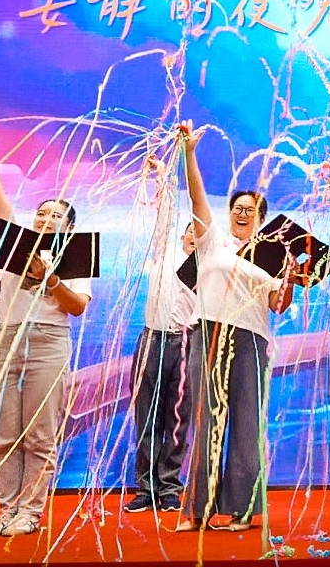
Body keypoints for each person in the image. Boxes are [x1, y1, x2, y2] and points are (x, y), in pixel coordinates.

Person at [0, 117, 93, 538]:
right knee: (4, 432)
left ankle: (30, 511)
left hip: (48, 340)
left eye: (55, 215)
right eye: (41, 213)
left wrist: (51, 280)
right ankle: (6, 509)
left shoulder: (76, 256)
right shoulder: (11, 242)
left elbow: (77, 308)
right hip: (5, 336)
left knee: (39, 432)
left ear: (68, 226)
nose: (45, 218)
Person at [176, 123, 294, 533]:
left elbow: (278, 305)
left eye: (251, 210)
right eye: (238, 208)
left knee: (246, 423)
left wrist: (290, 277)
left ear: (262, 218)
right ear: (229, 214)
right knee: (206, 421)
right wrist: (189, 153)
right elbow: (196, 196)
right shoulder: (213, 242)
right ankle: (198, 510)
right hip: (208, 334)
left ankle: (243, 511)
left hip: (251, 339)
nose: (243, 214)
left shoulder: (271, 256)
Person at [123, 158, 197, 515]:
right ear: (183, 235)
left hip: (186, 344)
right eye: (191, 231)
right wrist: (164, 179)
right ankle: (145, 487)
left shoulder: (210, 269)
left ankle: (170, 487)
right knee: (146, 417)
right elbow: (165, 215)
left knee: (177, 420)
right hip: (151, 340)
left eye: (201, 234)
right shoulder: (165, 252)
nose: (195, 237)